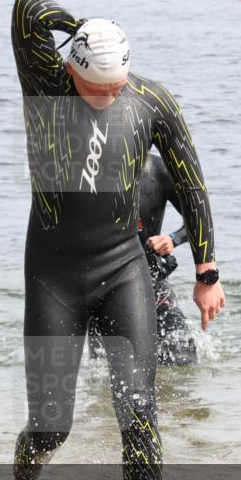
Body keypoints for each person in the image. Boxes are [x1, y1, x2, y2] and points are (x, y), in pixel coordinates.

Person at [6, 0, 225, 480]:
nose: (109, 95)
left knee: (138, 410)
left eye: (116, 86)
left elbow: (192, 184)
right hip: (53, 277)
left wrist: (207, 272)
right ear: (71, 69)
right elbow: (27, 8)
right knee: (50, 427)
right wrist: (87, 29)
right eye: (97, 87)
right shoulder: (46, 87)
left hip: (122, 270)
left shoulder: (151, 100)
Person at [89, 153, 198, 366]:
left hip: (152, 280)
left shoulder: (158, 169)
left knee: (183, 358)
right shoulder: (88, 172)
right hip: (103, 287)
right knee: (104, 369)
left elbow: (197, 219)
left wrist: (172, 239)